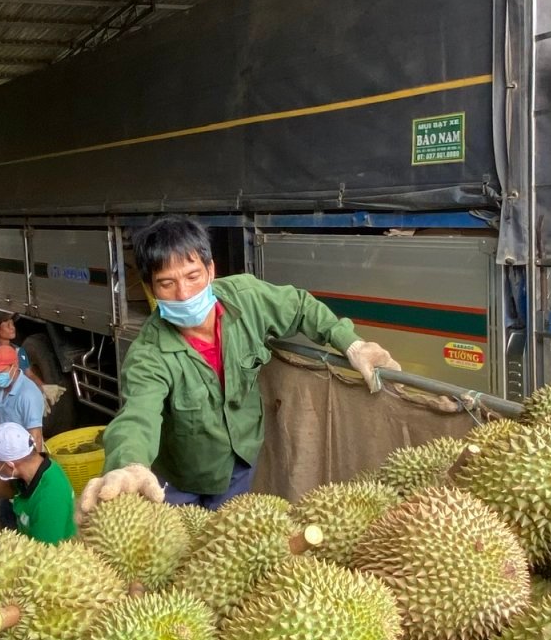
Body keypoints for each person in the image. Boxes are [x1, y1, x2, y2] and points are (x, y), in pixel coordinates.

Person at [82, 215, 399, 514]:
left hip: (240, 462)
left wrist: (351, 343)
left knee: (227, 548)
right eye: (167, 284)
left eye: (193, 276)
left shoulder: (247, 298)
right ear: (151, 289)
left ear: (210, 270)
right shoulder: (148, 354)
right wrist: (130, 465)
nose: (183, 293)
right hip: (179, 479)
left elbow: (301, 307)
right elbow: (138, 415)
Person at [0, 311, 66, 409]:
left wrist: (43, 387)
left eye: (12, 324)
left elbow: (29, 374)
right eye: (7, 325)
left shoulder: (19, 350)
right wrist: (31, 390)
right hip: (4, 407)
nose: (12, 327)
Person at [0, 343, 47, 452]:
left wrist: (32, 466)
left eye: (0, 371)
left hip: (23, 454)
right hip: (7, 449)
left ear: (14, 367)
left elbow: (36, 436)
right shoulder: (3, 385)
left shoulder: (28, 395)